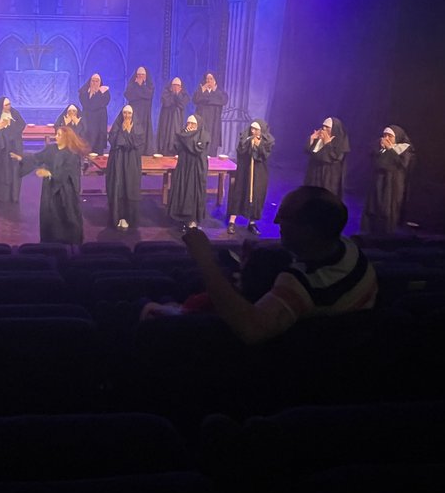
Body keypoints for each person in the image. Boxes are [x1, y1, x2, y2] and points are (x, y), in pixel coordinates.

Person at [162, 186, 378, 344]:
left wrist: (204, 259)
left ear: (309, 230)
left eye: (284, 216)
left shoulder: (300, 282)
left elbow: (251, 329)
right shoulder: (350, 249)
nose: (275, 222)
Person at [11, 123, 89, 245]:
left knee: (67, 216)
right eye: (56, 134)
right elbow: (36, 158)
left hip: (65, 191)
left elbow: (68, 171)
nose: (56, 137)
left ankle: (70, 242)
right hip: (50, 190)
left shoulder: (72, 154)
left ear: (66, 137)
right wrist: (22, 158)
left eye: (58, 135)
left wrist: (50, 173)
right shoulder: (50, 149)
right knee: (50, 216)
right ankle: (49, 242)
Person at [361, 124, 414, 235]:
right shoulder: (379, 147)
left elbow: (403, 165)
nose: (386, 138)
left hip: (393, 183)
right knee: (374, 206)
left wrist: (390, 150)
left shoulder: (405, 149)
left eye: (390, 136)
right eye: (384, 135)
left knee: (388, 209)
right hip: (378, 181)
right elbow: (375, 163)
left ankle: (386, 233)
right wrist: (382, 150)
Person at [227, 119, 274, 236]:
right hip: (244, 172)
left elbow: (264, 156)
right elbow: (241, 150)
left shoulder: (268, 140)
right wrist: (250, 144)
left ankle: (252, 223)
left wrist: (258, 146)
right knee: (239, 193)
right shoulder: (245, 138)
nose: (253, 132)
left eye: (256, 130)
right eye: (252, 129)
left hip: (259, 173)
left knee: (256, 196)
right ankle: (232, 222)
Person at [168, 114, 210, 231]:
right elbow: (176, 147)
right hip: (183, 167)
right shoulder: (182, 134)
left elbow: (196, 149)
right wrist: (185, 136)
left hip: (196, 169)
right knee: (182, 190)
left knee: (193, 193)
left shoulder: (203, 135)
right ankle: (181, 219)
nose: (190, 126)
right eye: (188, 123)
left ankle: (192, 220)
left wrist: (186, 137)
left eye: (193, 124)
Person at [105, 105, 142, 230]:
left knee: (129, 188)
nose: (127, 116)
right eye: (125, 113)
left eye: (129, 113)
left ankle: (128, 217)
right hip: (118, 162)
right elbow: (114, 141)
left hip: (131, 163)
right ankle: (118, 217)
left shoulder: (138, 127)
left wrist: (128, 132)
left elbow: (136, 143)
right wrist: (124, 131)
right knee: (118, 187)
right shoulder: (117, 126)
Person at [0, 96, 26, 203]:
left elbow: (22, 124)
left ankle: (14, 196)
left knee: (14, 170)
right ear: (1, 106)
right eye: (6, 105)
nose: (9, 106)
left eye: (9, 104)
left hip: (13, 146)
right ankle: (1, 196)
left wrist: (11, 129)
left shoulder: (14, 113)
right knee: (1, 170)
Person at [304, 116, 350, 199]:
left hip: (328, 178)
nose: (323, 129)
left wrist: (327, 144)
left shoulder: (340, 142)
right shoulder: (319, 139)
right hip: (314, 174)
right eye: (323, 126)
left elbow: (331, 158)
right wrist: (311, 140)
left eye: (327, 127)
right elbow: (311, 153)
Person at [192, 72, 228, 157]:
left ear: (215, 81)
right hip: (202, 119)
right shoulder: (200, 90)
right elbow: (195, 100)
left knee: (212, 143)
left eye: (211, 79)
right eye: (207, 79)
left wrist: (212, 92)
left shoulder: (219, 91)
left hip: (214, 122)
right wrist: (203, 91)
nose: (209, 81)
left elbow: (223, 100)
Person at [123, 67, 155, 155]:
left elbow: (149, 95)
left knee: (144, 131)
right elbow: (128, 95)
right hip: (134, 112)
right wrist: (139, 87)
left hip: (145, 113)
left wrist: (140, 87)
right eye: (139, 75)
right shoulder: (132, 85)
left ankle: (144, 151)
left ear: (146, 76)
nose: (140, 77)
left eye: (142, 75)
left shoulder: (149, 86)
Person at [77, 73, 111, 154]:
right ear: (90, 81)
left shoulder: (104, 92)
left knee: (98, 143)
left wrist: (98, 93)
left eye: (97, 81)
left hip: (99, 120)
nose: (95, 83)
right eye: (93, 81)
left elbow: (99, 104)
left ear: (100, 82)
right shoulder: (84, 92)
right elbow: (86, 104)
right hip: (88, 119)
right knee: (87, 142)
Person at [156, 77, 189, 155]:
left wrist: (177, 95)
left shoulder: (184, 95)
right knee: (165, 133)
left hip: (177, 119)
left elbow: (182, 104)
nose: (175, 87)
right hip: (166, 118)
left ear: (181, 87)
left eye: (177, 86)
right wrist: (173, 95)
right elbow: (166, 103)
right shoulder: (166, 93)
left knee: (175, 133)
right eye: (174, 85)